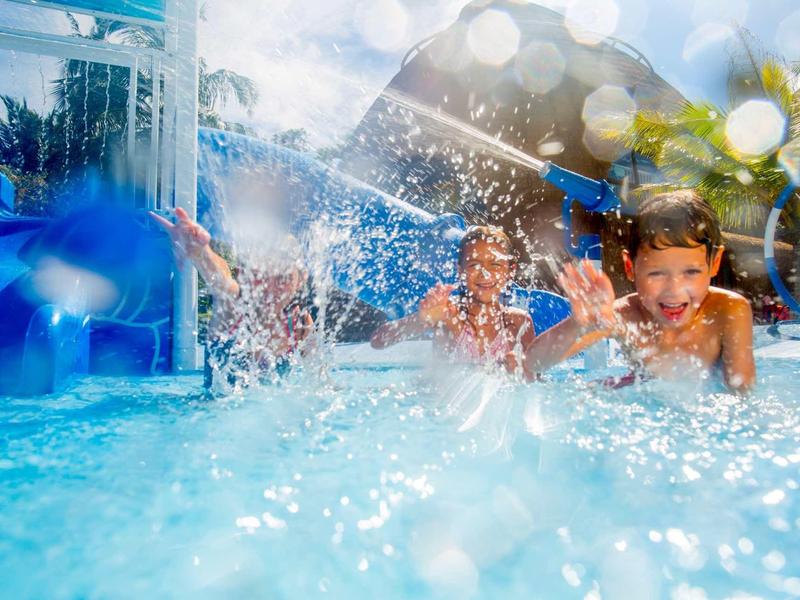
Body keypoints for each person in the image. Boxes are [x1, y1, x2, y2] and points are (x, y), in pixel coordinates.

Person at [522, 190, 756, 392]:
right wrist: (581, 323)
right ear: (630, 267)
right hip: (645, 399)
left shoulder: (728, 311)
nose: (674, 290)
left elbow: (741, 391)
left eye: (691, 272)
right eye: (656, 273)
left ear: (714, 263)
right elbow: (534, 363)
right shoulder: (623, 316)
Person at [150, 207, 313, 386]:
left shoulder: (300, 325)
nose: (272, 287)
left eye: (283, 278)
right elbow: (221, 279)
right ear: (246, 275)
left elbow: (321, 382)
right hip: (211, 413)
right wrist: (201, 252)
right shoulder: (232, 308)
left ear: (301, 279)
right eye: (262, 276)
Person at [370, 225, 536, 379]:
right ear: (460, 270)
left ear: (510, 271)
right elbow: (378, 340)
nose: (485, 274)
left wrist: (522, 372)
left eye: (495, 264)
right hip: (441, 404)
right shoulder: (449, 313)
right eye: (474, 265)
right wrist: (422, 320)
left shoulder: (519, 322)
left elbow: (536, 380)